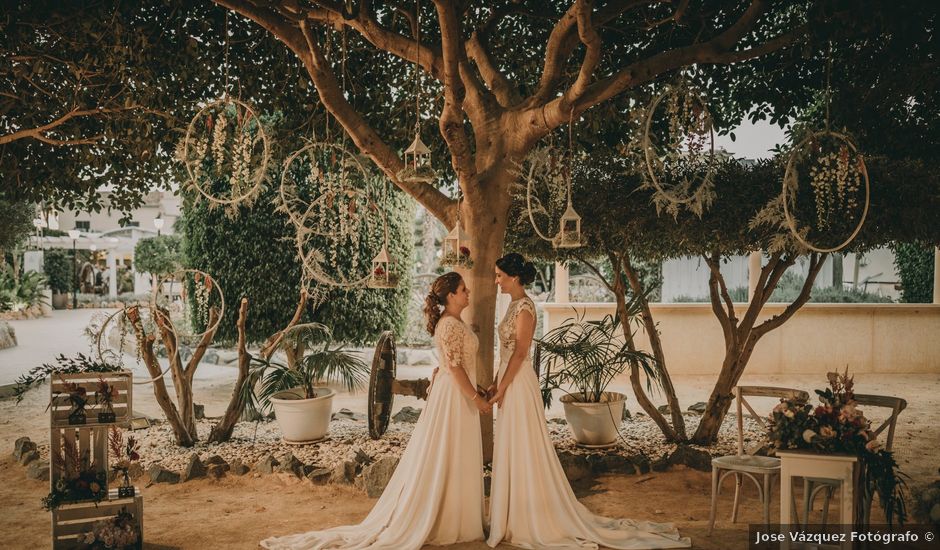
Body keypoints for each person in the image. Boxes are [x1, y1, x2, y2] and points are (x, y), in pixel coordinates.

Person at [261, 272, 490, 550]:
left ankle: (459, 516)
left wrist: (469, 385)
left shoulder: (454, 322)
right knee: (449, 451)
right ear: (451, 296)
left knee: (454, 452)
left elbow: (454, 365)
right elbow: (454, 368)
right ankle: (448, 518)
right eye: (464, 289)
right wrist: (476, 397)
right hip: (455, 397)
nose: (468, 293)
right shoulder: (450, 325)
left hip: (454, 392)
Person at [486, 253, 691, 549]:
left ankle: (527, 515)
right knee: (510, 443)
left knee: (523, 445)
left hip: (518, 384)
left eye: (500, 276)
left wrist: (503, 387)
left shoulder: (526, 309)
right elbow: (504, 352)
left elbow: (520, 354)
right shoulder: (511, 306)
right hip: (508, 380)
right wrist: (496, 382)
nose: (497, 281)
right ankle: (510, 513)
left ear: (514, 277)